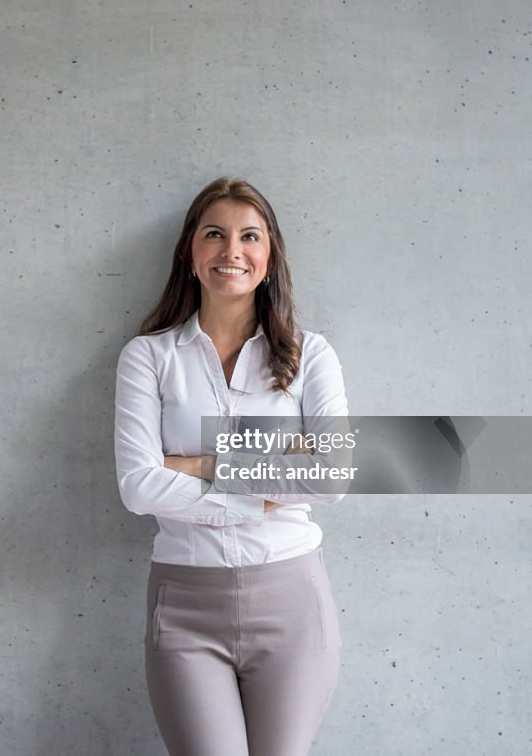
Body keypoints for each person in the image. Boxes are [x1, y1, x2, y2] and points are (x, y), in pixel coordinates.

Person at [113, 177, 348, 756]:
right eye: (214, 234)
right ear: (191, 254)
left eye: (250, 236)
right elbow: (138, 485)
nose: (231, 251)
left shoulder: (310, 354)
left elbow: (333, 474)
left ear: (268, 260)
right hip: (186, 605)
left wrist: (196, 463)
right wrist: (275, 467)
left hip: (292, 601)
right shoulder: (147, 356)